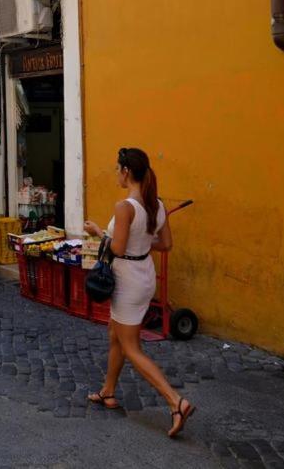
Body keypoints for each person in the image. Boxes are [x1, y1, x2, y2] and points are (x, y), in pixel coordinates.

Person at [83, 147, 195, 438]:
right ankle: (108, 391)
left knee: (131, 347)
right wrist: (141, 242)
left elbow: (117, 248)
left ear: (126, 172)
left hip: (127, 279)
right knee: (115, 335)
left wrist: (98, 232)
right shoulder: (155, 204)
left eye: (117, 169)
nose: (115, 174)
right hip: (143, 273)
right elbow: (166, 243)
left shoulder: (126, 207)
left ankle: (176, 402)